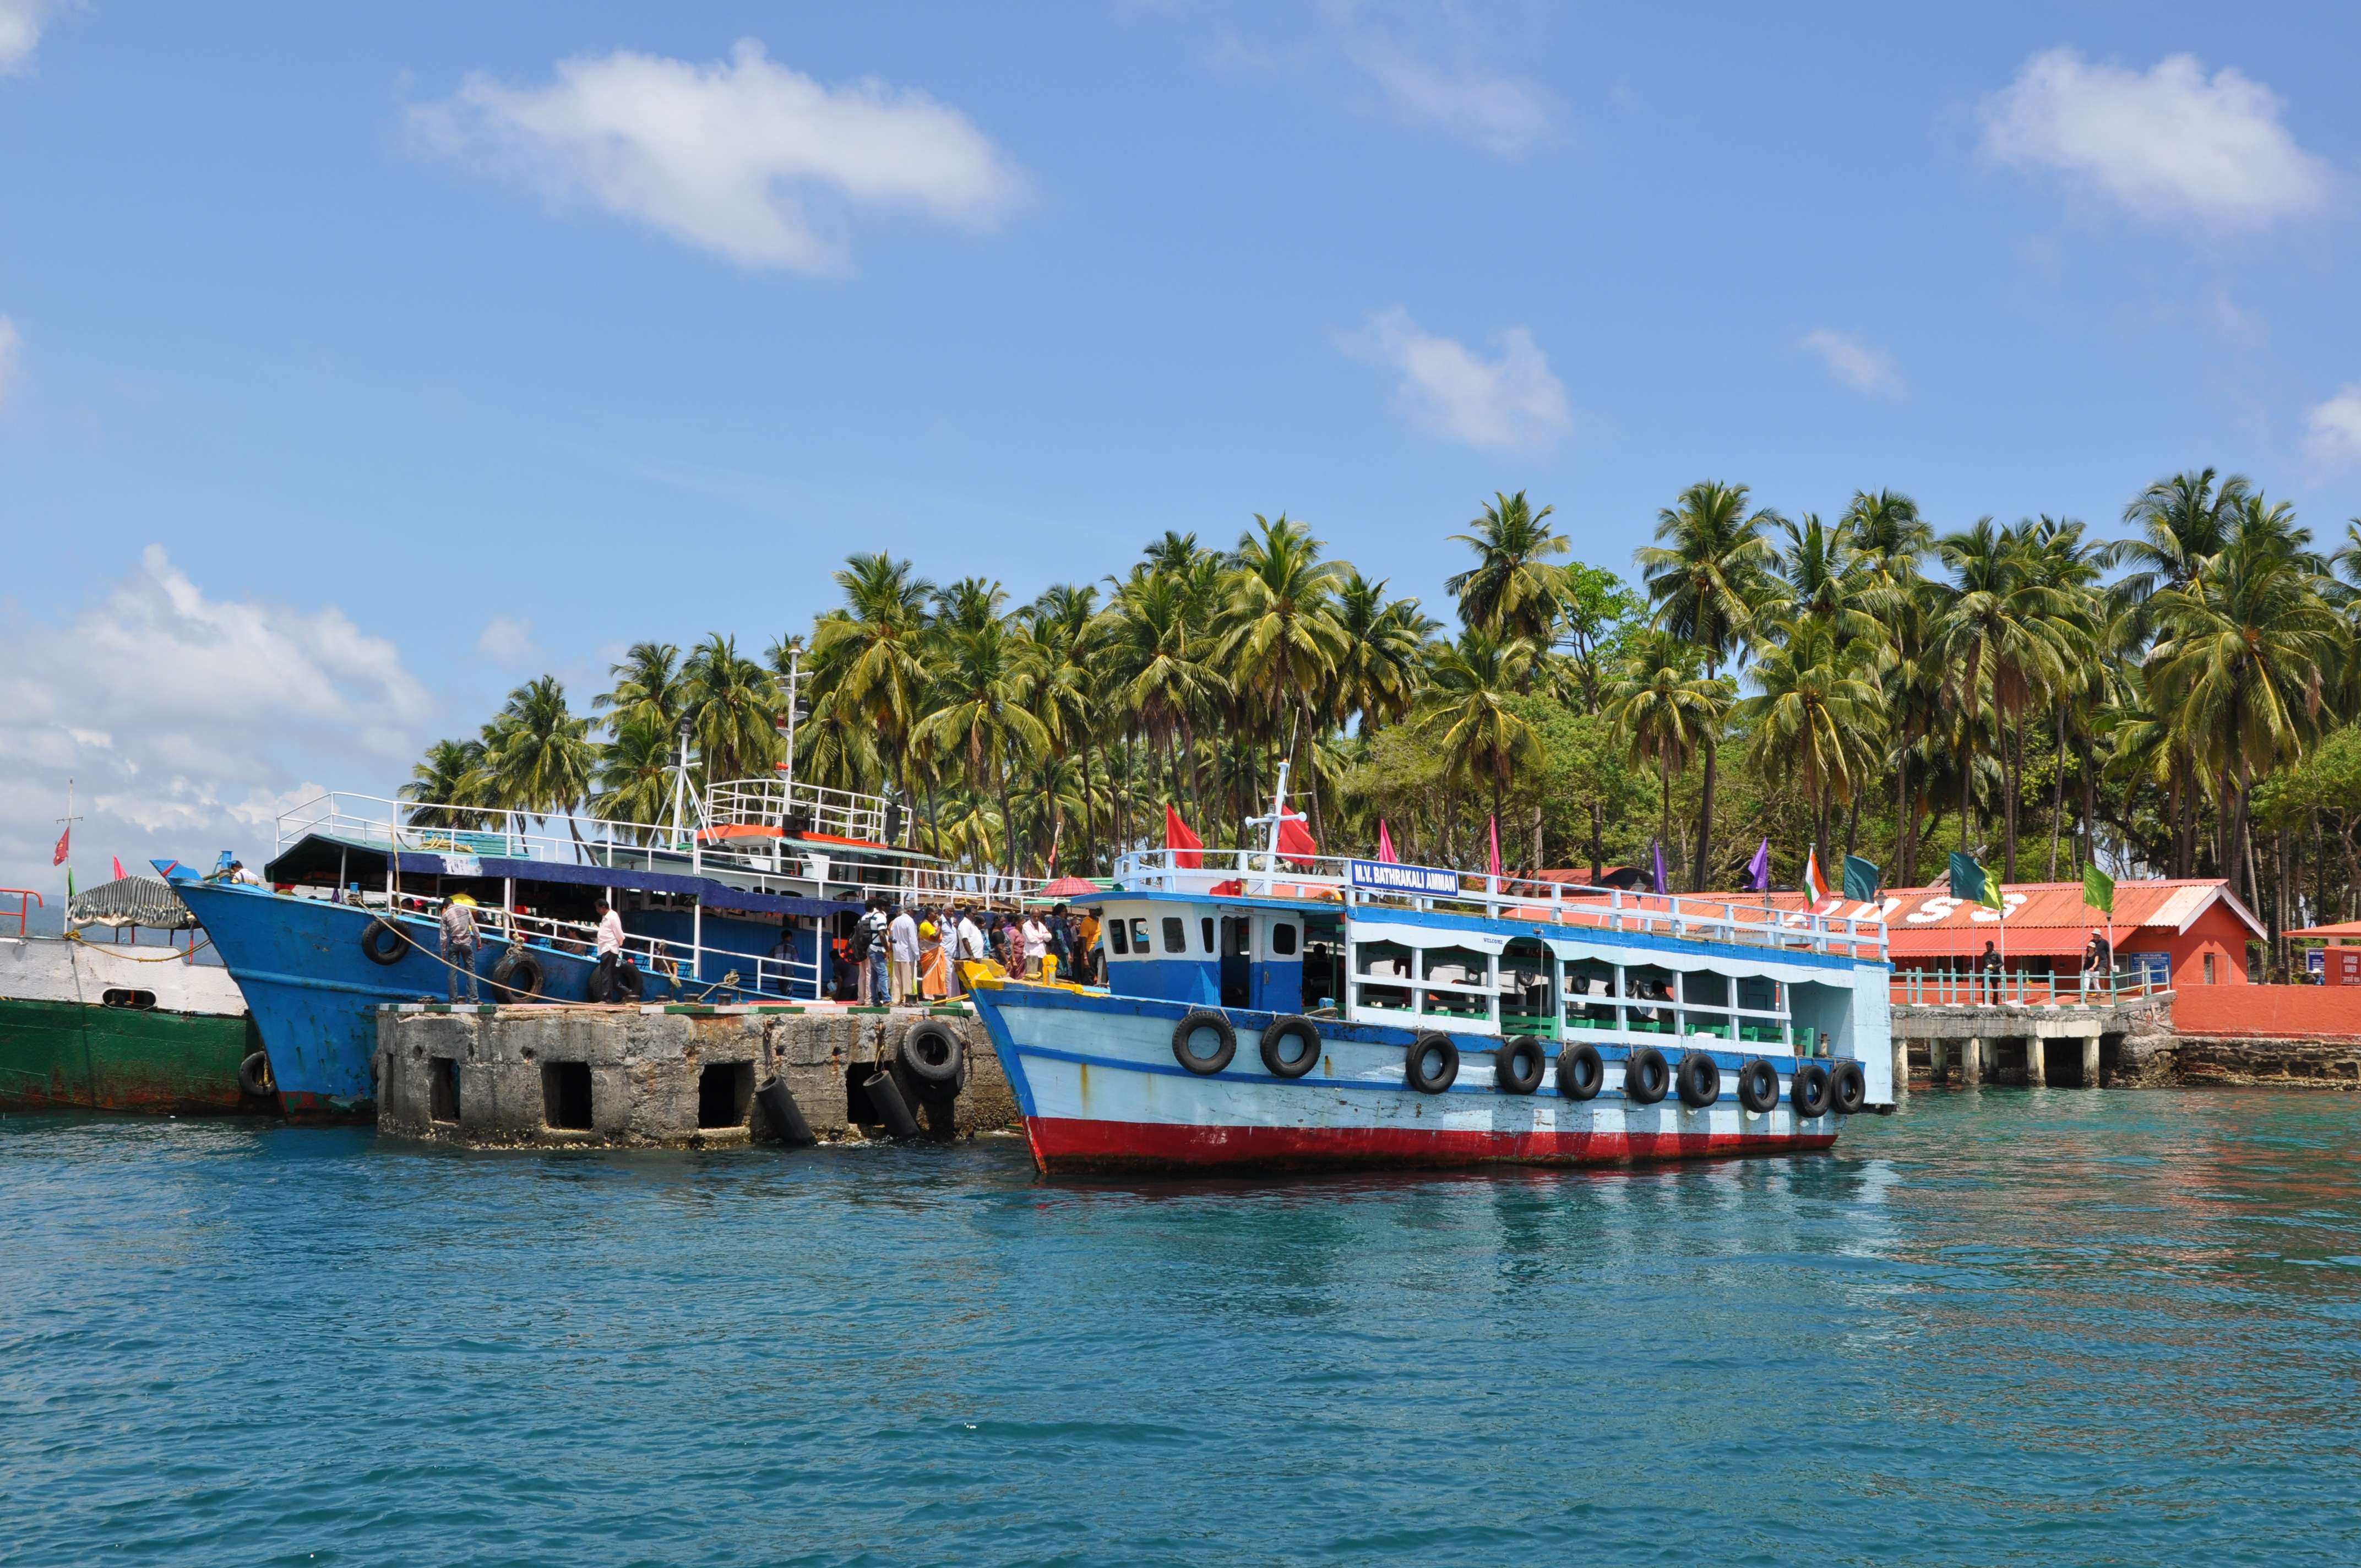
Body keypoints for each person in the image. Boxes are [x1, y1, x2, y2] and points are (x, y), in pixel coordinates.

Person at [440, 892, 480, 1004]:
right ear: (452, 903)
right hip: (467, 944)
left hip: (454, 945)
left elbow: (443, 938)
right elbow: (474, 926)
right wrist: (479, 941)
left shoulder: (445, 915)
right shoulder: (466, 910)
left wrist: (443, 954)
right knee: (471, 971)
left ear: (445, 906)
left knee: (453, 972)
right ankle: (473, 999)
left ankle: (453, 1000)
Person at [855, 899, 889, 1005]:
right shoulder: (874, 917)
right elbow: (881, 934)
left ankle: (861, 999)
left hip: (862, 949)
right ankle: (869, 999)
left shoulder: (861, 919)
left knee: (862, 975)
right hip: (873, 948)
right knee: (871, 974)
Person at [594, 899, 625, 1003]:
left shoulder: (612, 916)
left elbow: (619, 933)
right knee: (612, 975)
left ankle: (607, 999)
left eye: (598, 908)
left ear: (603, 908)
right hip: (606, 948)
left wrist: (619, 943)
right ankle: (628, 994)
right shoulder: (606, 917)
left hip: (610, 948)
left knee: (606, 974)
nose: (597, 911)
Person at [888, 903, 921, 1005]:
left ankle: (896, 1000)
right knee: (907, 979)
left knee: (897, 978)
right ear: (909, 911)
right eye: (914, 911)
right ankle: (907, 999)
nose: (915, 914)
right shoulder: (910, 922)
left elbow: (892, 936)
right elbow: (913, 940)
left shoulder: (896, 921)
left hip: (897, 952)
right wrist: (917, 956)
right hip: (907, 954)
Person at [918, 916, 949, 1000]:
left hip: (936, 953)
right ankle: (929, 995)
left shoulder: (932, 925)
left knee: (939, 975)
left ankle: (939, 995)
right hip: (930, 954)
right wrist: (940, 926)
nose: (937, 916)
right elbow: (935, 937)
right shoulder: (926, 925)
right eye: (935, 913)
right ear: (929, 914)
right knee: (930, 975)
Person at [1022, 911, 1051, 979]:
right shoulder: (1026, 926)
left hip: (1042, 954)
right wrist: (1043, 936)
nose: (1037, 918)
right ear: (1031, 916)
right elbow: (1031, 939)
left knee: (1042, 977)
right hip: (1031, 955)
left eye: (1038, 916)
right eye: (1035, 916)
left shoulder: (1041, 925)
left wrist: (1038, 936)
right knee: (1032, 977)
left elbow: (1049, 937)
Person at [1978, 939, 2003, 1003]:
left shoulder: (1997, 954)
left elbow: (2001, 963)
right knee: (1983, 986)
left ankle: (1995, 1003)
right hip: (1986, 973)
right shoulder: (1985, 954)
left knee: (1995, 988)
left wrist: (1994, 967)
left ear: (1992, 947)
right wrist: (1982, 974)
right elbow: (1983, 965)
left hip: (1994, 973)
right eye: (1987, 947)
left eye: (1989, 947)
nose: (1987, 948)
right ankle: (1985, 1002)